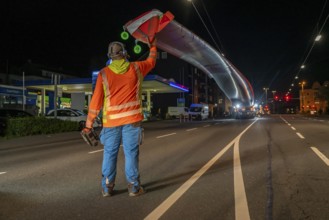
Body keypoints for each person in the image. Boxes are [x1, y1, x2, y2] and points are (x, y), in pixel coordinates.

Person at [83, 39, 157, 197]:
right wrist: (153, 45)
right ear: (125, 53)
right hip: (132, 122)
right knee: (131, 153)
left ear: (110, 56)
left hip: (111, 123)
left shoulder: (103, 74)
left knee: (109, 154)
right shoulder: (137, 68)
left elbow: (95, 103)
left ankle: (107, 188)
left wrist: (88, 125)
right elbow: (151, 61)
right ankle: (134, 187)